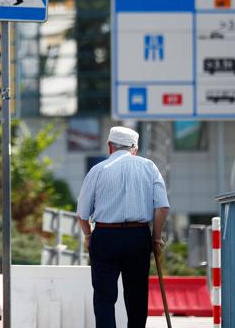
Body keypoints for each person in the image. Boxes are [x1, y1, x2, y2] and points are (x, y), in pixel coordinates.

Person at [76, 126, 170, 328]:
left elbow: (82, 214)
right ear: (134, 148)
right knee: (136, 296)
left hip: (105, 236)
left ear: (110, 146)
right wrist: (156, 237)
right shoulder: (149, 167)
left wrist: (88, 235)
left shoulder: (97, 170)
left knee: (104, 297)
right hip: (138, 236)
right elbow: (162, 207)